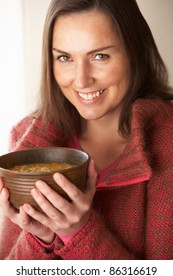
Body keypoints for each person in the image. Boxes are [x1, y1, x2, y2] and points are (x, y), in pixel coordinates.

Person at [0, 0, 173, 260]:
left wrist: (77, 231)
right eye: (65, 58)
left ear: (134, 53)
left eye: (99, 56)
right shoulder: (25, 139)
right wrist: (42, 237)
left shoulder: (167, 143)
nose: (81, 79)